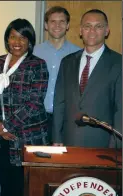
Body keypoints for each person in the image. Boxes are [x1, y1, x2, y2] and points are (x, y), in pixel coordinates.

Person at [0, 18, 49, 196]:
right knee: (7, 184)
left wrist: (7, 127)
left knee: (27, 188)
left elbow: (34, 102)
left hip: (27, 137)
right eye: (13, 37)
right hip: (1, 139)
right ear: (7, 39)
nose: (17, 42)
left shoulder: (37, 64)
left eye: (22, 37)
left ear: (30, 41)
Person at [52, 9, 122, 148]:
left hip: (103, 144)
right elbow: (59, 103)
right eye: (87, 26)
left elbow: (120, 110)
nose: (92, 31)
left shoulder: (118, 63)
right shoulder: (67, 62)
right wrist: (56, 138)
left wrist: (116, 146)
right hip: (69, 140)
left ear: (107, 30)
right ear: (80, 30)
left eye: (98, 26)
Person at [33, 6, 81, 143]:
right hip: (38, 118)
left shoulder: (78, 54)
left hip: (67, 118)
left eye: (62, 21)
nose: (57, 25)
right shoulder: (34, 52)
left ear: (68, 25)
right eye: (53, 21)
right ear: (46, 25)